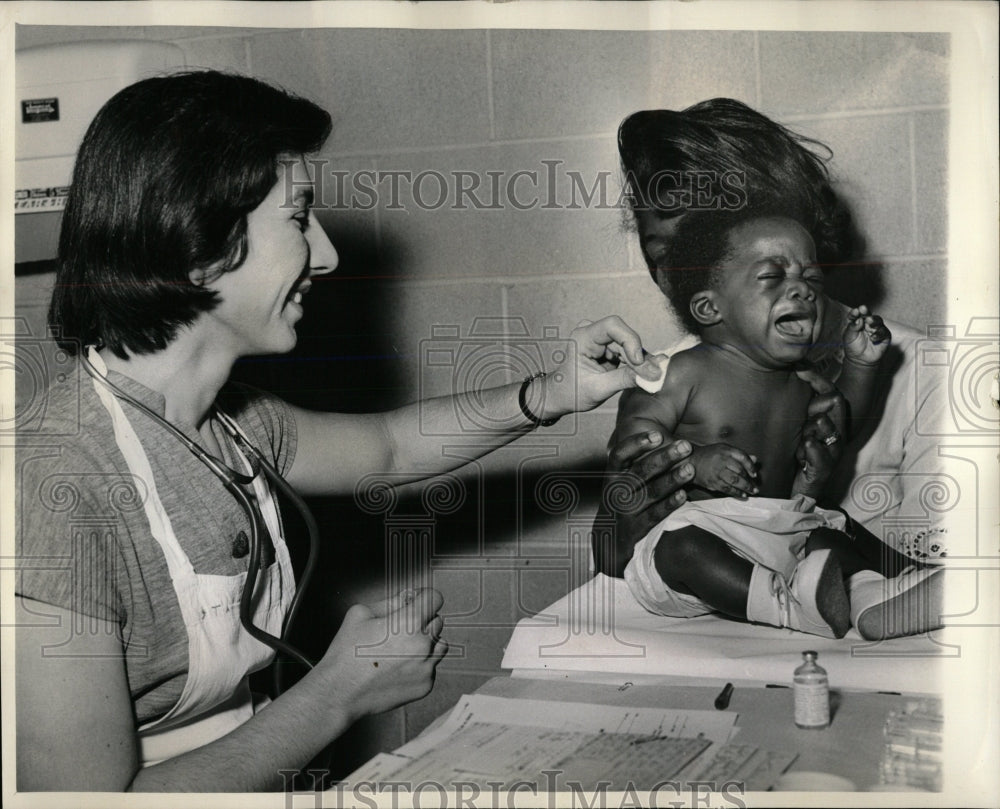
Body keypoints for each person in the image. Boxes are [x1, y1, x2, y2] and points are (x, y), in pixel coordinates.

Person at [14, 70, 663, 792]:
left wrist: (556, 392)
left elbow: (392, 446)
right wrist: (338, 692)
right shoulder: (52, 484)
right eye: (297, 219)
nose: (325, 255)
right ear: (197, 242)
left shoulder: (235, 421)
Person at [593, 99, 948, 641]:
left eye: (703, 246)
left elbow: (955, 582)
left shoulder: (922, 375)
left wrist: (822, 500)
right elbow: (615, 563)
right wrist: (632, 509)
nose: (681, 277)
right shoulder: (672, 377)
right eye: (661, 254)